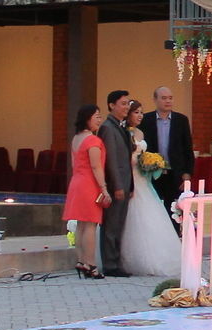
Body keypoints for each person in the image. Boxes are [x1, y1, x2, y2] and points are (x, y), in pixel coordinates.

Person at [117, 100, 182, 280]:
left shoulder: (140, 132)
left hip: (143, 180)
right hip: (131, 180)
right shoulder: (123, 133)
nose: (139, 116)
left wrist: (151, 162)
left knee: (152, 215)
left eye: (141, 112)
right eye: (136, 112)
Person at [62, 103, 112, 278]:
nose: (99, 119)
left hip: (77, 182)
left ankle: (81, 260)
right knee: (90, 224)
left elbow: (75, 164)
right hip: (89, 184)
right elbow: (96, 166)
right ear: (87, 119)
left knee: (81, 225)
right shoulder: (93, 140)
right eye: (96, 116)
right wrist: (104, 188)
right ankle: (90, 264)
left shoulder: (76, 139)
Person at [97, 89, 132, 276]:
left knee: (119, 224)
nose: (127, 107)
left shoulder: (120, 126)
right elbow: (110, 160)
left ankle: (116, 262)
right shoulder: (108, 127)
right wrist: (117, 185)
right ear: (111, 105)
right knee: (111, 225)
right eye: (123, 103)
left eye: (128, 104)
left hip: (125, 182)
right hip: (116, 183)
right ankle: (110, 265)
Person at [142, 86, 193, 214]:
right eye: (164, 98)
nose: (168, 101)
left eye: (170, 98)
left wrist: (187, 173)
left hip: (175, 173)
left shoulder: (181, 120)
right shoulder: (146, 120)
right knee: (154, 210)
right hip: (153, 173)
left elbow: (187, 148)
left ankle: (175, 234)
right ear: (155, 100)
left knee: (174, 209)